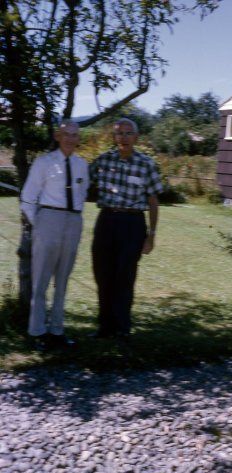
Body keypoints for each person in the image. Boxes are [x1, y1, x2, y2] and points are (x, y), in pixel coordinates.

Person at [89, 118, 163, 340]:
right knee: (102, 275)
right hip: (106, 221)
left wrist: (151, 235)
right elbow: (80, 180)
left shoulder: (146, 164)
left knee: (125, 277)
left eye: (128, 133)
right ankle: (105, 327)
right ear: (114, 137)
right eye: (119, 134)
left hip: (132, 224)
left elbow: (153, 201)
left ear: (136, 137)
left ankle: (122, 328)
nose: (124, 138)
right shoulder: (102, 161)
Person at [20, 120, 89, 351]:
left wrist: (75, 221)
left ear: (79, 139)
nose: (70, 138)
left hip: (73, 221)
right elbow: (28, 198)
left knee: (62, 281)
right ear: (58, 136)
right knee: (41, 281)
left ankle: (57, 330)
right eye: (66, 134)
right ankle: (38, 331)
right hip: (48, 220)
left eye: (74, 135)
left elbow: (82, 194)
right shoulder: (44, 163)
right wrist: (38, 225)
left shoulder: (82, 165)